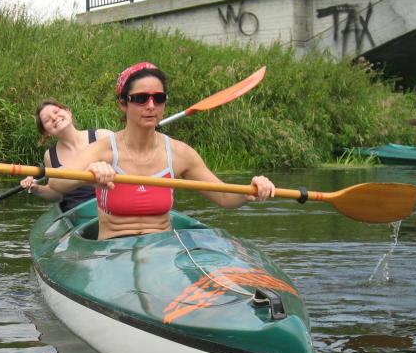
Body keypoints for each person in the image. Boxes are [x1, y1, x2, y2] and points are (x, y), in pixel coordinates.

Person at [47, 62, 275, 240]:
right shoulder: (103, 149)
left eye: (158, 98)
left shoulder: (180, 153)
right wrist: (89, 172)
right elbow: (57, 182)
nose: (150, 106)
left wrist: (249, 192)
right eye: (140, 99)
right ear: (123, 104)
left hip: (161, 251)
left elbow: (224, 197)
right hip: (113, 251)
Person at [19, 99, 113, 213]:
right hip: (76, 212)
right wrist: (36, 189)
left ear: (68, 112)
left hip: (110, 205)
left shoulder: (103, 136)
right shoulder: (50, 156)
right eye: (47, 120)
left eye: (56, 111)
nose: (54, 118)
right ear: (46, 132)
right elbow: (58, 194)